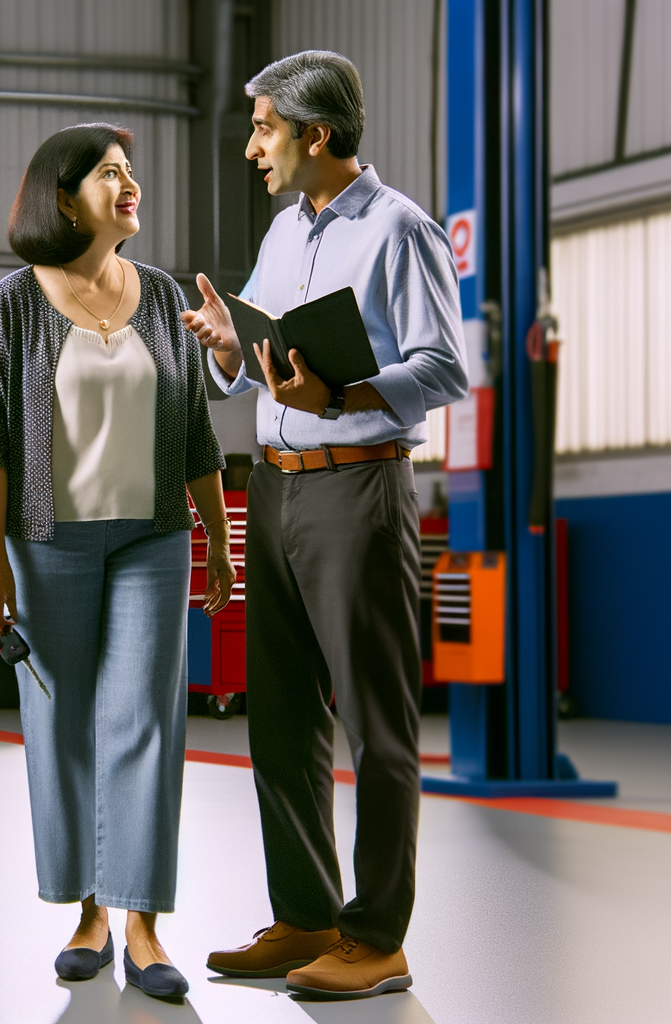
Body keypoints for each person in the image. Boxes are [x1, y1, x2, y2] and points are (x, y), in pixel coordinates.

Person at [182, 51, 468, 999]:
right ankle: (306, 914)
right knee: (283, 716)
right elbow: (268, 366)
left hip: (359, 489)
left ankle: (376, 935)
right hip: (274, 487)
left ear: (316, 134)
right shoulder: (281, 232)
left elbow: (442, 368)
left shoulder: (401, 230)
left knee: (375, 724)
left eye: (264, 128)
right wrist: (232, 351)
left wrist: (345, 392)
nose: (252, 145)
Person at [0, 123, 235, 1001]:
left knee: (146, 724)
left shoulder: (157, 295)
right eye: (110, 174)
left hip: (154, 536)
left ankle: (142, 925)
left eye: (131, 173)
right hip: (46, 542)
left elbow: (196, 428)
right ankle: (86, 909)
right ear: (63, 195)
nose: (131, 185)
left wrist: (218, 542)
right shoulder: (14, 301)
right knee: (62, 725)